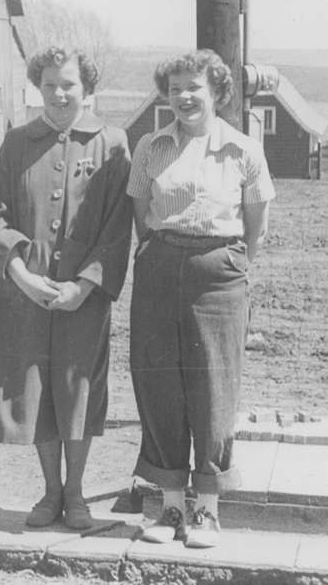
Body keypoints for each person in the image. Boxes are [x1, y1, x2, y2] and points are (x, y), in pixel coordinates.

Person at [129, 49, 274, 549]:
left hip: (219, 276)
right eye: (174, 88)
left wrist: (224, 263)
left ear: (216, 92)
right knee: (160, 381)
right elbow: (141, 211)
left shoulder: (242, 151)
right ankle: (170, 505)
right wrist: (161, 254)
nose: (184, 97)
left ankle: (207, 510)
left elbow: (255, 228)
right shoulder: (150, 147)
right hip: (160, 269)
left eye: (194, 87)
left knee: (213, 386)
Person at [0, 46, 131, 530]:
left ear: (86, 88)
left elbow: (116, 226)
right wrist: (21, 277)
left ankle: (76, 494)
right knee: (36, 390)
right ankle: (49, 492)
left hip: (83, 298)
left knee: (77, 389)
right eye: (49, 85)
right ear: (38, 88)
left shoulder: (111, 142)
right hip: (27, 292)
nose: (59, 93)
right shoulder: (17, 141)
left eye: (68, 84)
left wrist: (85, 288)